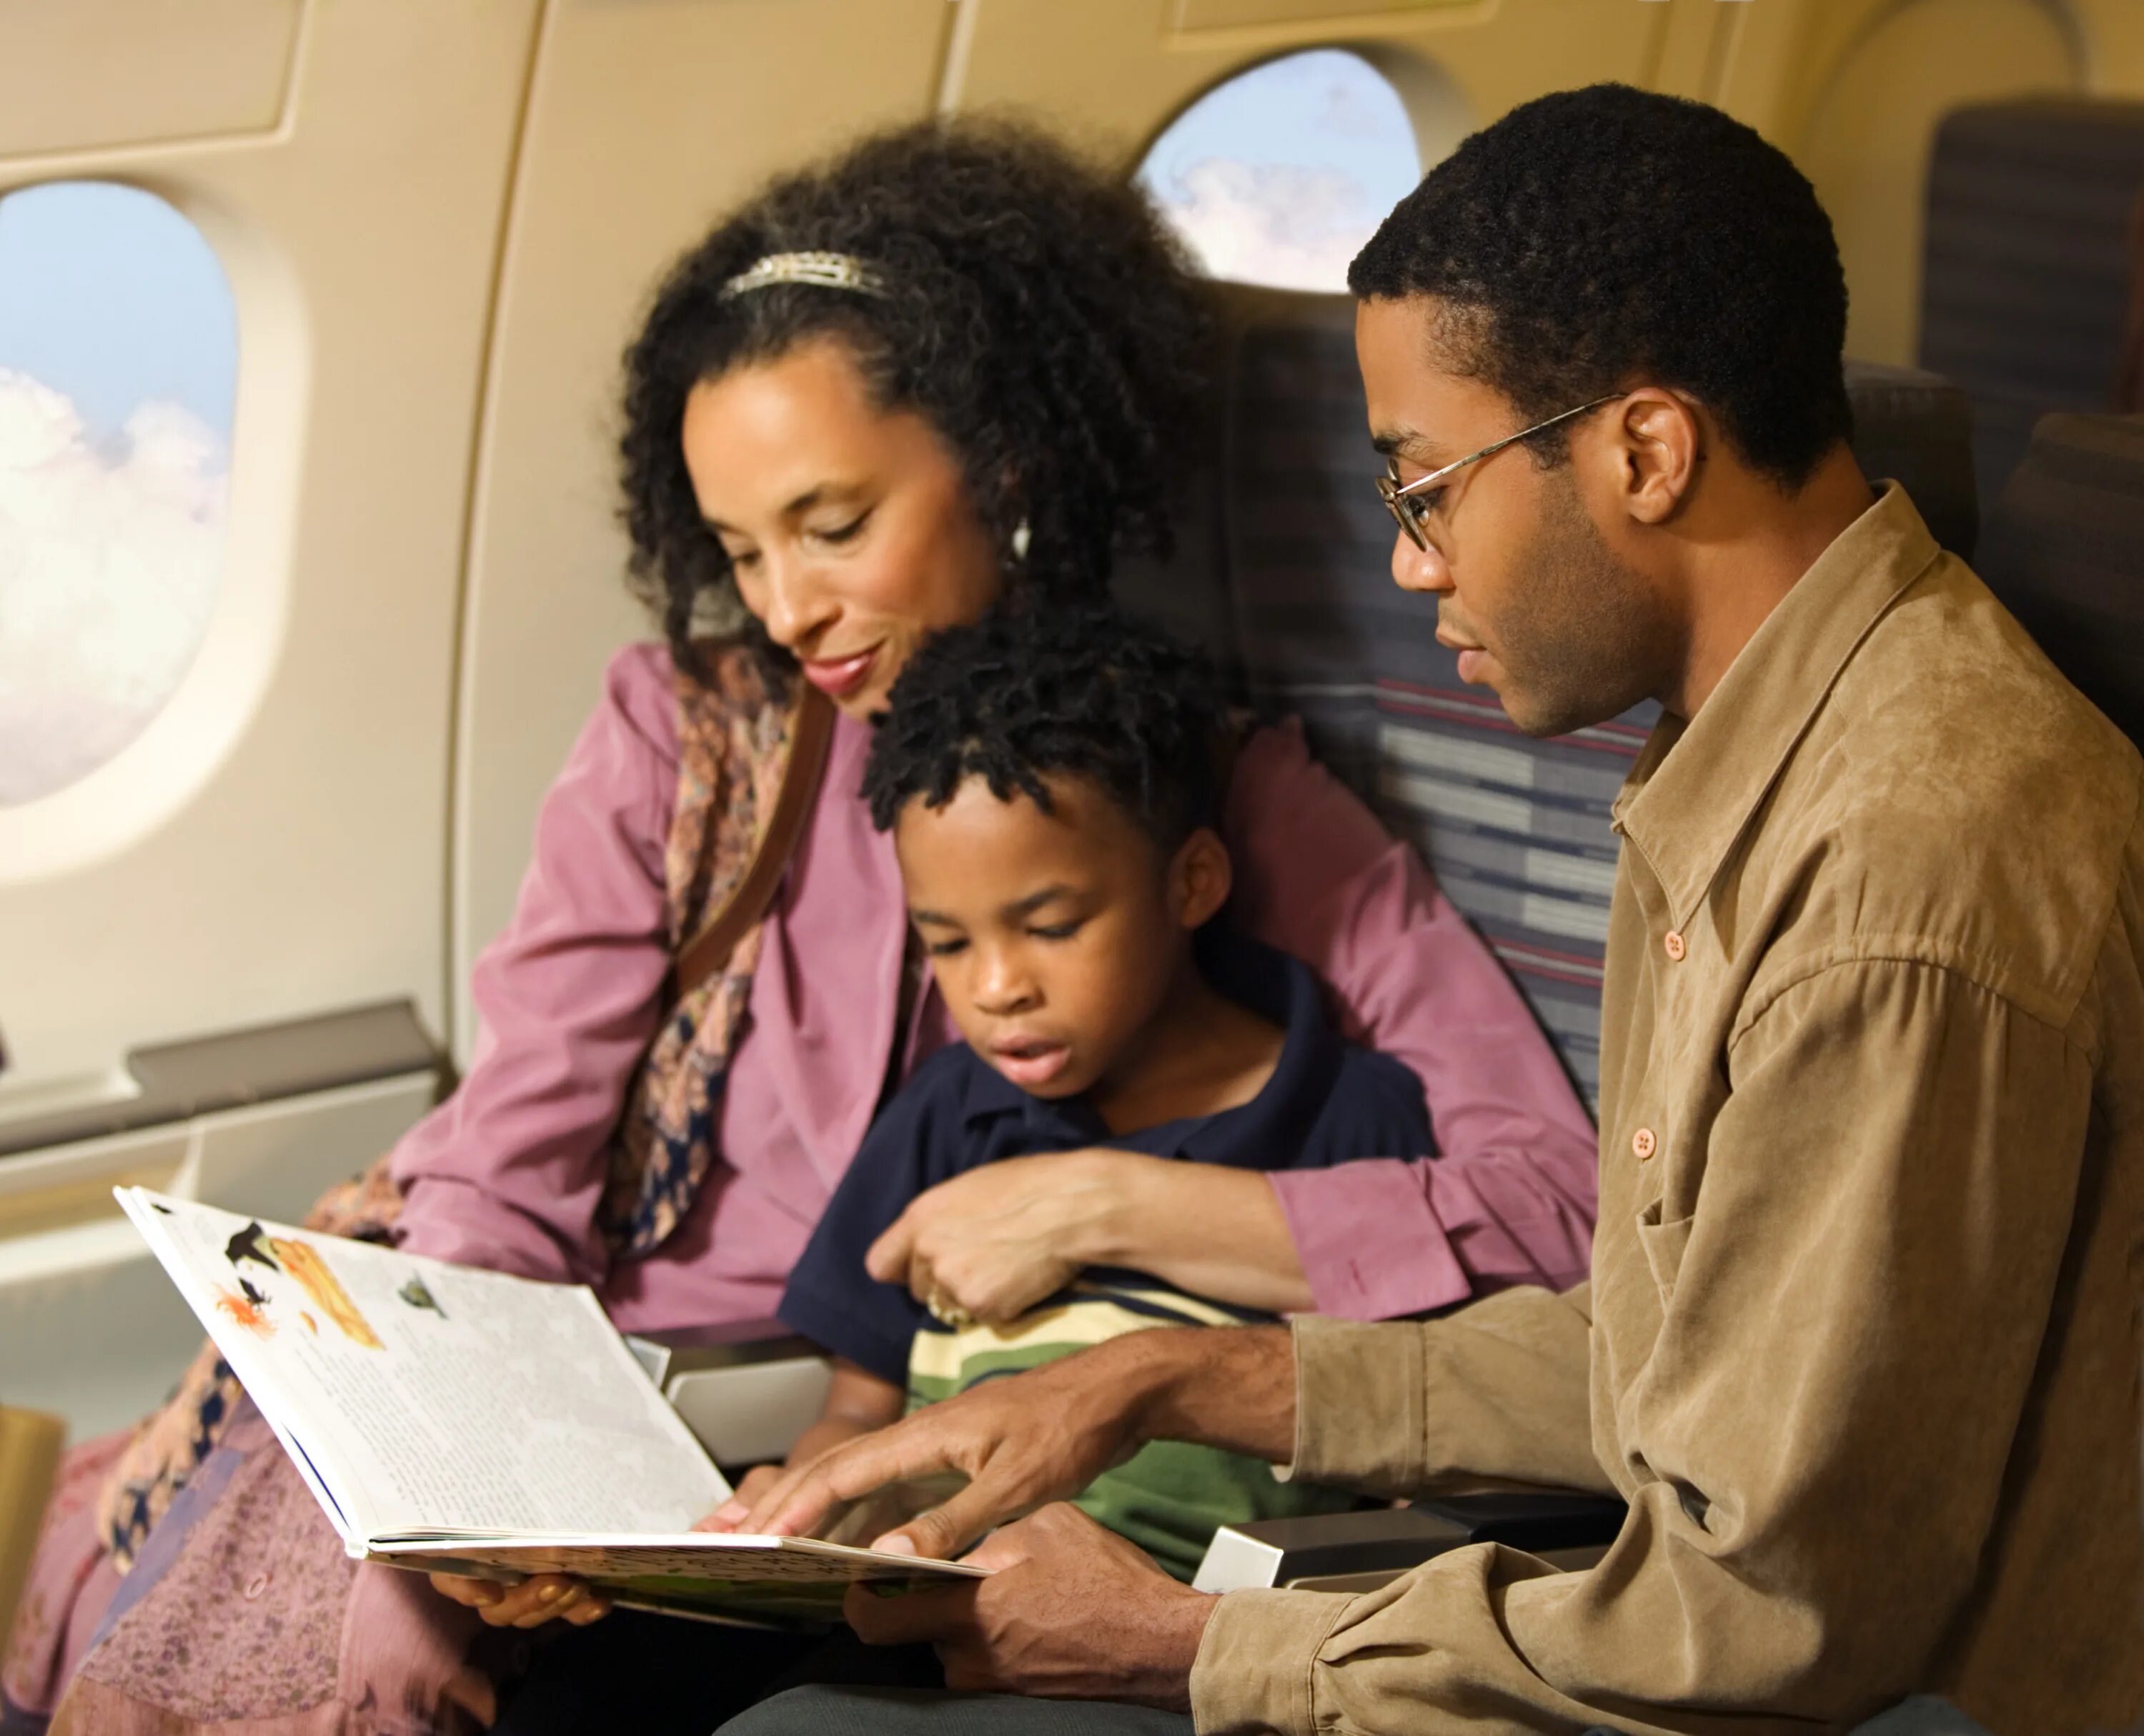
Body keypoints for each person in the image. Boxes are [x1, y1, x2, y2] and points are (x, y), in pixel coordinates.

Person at [2, 120, 1597, 1736]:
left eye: (835, 528)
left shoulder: (1209, 789)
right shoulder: (682, 743)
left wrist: (1102, 1202)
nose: (785, 609)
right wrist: (437, 1510)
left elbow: (1562, 1210)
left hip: (775, 1420)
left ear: (1009, 464)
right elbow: (506, 1181)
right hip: (532, 1399)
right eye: (743, 549)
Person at [716, 85, 2144, 1736]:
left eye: (1426, 487)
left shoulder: (1906, 866)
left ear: (1646, 450)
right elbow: (1658, 1359)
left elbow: (1766, 1623)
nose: (1411, 566)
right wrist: (1169, 1379)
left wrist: (1177, 1643)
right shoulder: (1744, 755)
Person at [735, 598, 1432, 1582]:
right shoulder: (950, 1110)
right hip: (928, 1600)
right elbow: (858, 1405)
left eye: (1052, 925)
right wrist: (798, 1504)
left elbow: (1411, 1438)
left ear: (1191, 881)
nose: (994, 987)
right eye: (947, 941)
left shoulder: (1351, 1117)